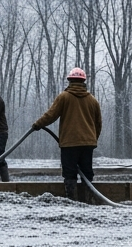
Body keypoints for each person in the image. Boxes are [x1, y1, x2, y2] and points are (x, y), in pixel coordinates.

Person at [32, 67, 101, 200]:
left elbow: (51, 115)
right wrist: (92, 139)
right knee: (87, 173)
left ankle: (72, 200)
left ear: (70, 81)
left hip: (69, 143)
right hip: (88, 143)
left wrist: (38, 124)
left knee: (70, 173)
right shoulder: (92, 100)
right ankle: (87, 200)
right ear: (83, 82)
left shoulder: (64, 97)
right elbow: (98, 123)